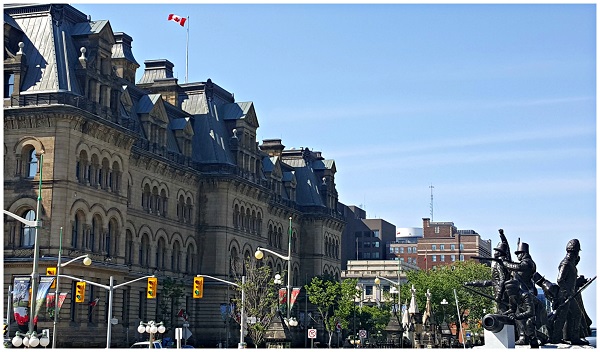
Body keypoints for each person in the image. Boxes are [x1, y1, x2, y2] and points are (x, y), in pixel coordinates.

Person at [550, 239, 588, 345]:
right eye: (577, 252)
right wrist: (567, 292)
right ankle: (563, 338)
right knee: (569, 315)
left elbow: (571, 280)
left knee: (569, 315)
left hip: (569, 294)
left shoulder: (571, 263)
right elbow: (560, 279)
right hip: (565, 295)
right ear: (574, 252)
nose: (577, 254)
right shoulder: (566, 263)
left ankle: (562, 338)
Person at [502, 241, 536, 345]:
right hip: (520, 291)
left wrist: (504, 262)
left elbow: (517, 267)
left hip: (525, 291)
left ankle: (525, 337)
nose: (517, 256)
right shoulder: (525, 262)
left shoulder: (527, 262)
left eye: (518, 254)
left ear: (524, 253)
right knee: (517, 314)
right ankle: (523, 336)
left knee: (523, 316)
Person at [502, 279, 540, 348]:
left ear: (514, 288)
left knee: (529, 325)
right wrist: (503, 314)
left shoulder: (526, 295)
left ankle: (534, 346)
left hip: (538, 312)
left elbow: (531, 312)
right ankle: (543, 337)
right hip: (525, 312)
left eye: (508, 289)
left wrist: (516, 316)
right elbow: (512, 309)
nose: (507, 291)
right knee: (521, 323)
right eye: (506, 289)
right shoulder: (512, 296)